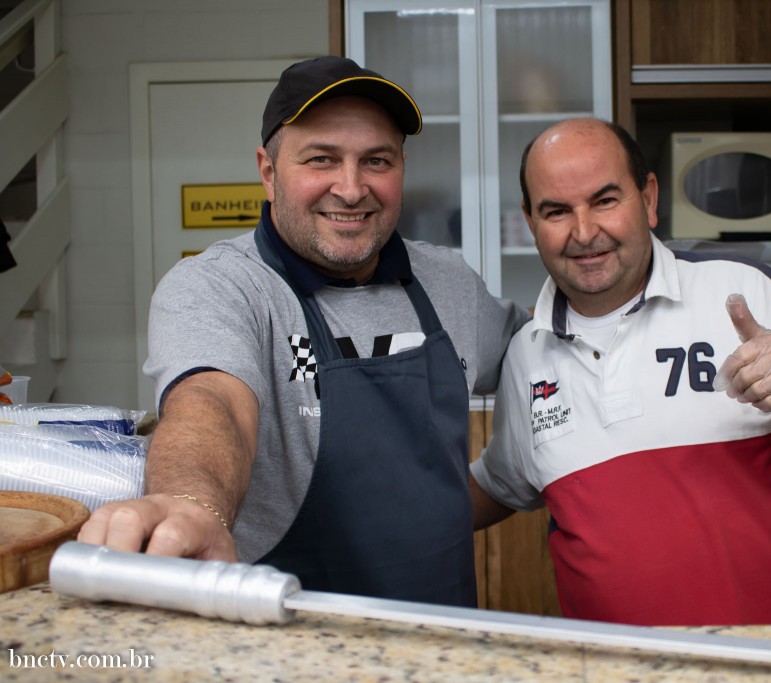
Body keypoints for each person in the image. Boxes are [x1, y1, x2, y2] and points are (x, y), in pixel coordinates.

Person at [78, 56, 528, 607]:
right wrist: (192, 505)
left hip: (443, 633)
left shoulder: (449, 283)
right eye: (321, 159)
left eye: (376, 161)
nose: (351, 188)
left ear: (401, 168)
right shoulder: (222, 287)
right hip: (288, 639)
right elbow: (213, 403)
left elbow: (547, 357)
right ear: (269, 173)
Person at [469, 118, 771, 626]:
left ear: (648, 198)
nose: (584, 232)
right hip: (611, 662)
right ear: (531, 222)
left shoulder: (739, 291)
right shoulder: (526, 354)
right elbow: (501, 483)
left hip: (770, 657)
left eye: (605, 200)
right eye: (557, 211)